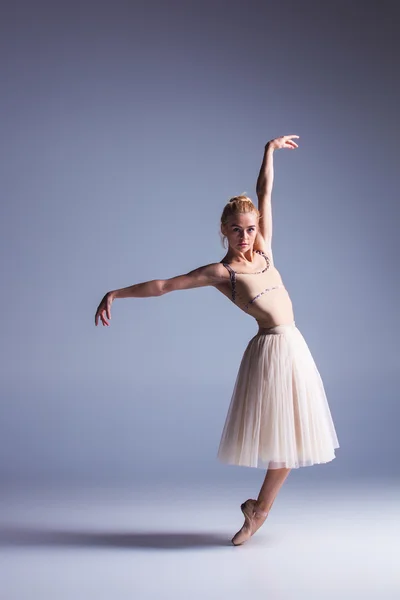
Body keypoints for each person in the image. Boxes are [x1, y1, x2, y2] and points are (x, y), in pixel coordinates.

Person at [94, 134, 340, 546]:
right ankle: (258, 514)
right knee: (287, 442)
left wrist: (268, 151)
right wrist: (116, 293)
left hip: (295, 347)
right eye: (237, 230)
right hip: (271, 352)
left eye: (250, 228)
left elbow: (264, 191)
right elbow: (165, 285)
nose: (245, 236)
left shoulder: (264, 251)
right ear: (224, 231)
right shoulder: (221, 273)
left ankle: (256, 511)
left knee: (295, 440)